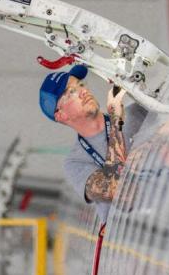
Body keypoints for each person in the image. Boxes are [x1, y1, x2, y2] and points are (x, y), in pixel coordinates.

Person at [39, 64, 147, 223]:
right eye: (71, 92)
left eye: (81, 85)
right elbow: (120, 192)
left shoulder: (136, 112)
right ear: (60, 115)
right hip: (142, 237)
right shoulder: (75, 163)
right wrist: (116, 121)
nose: (83, 91)